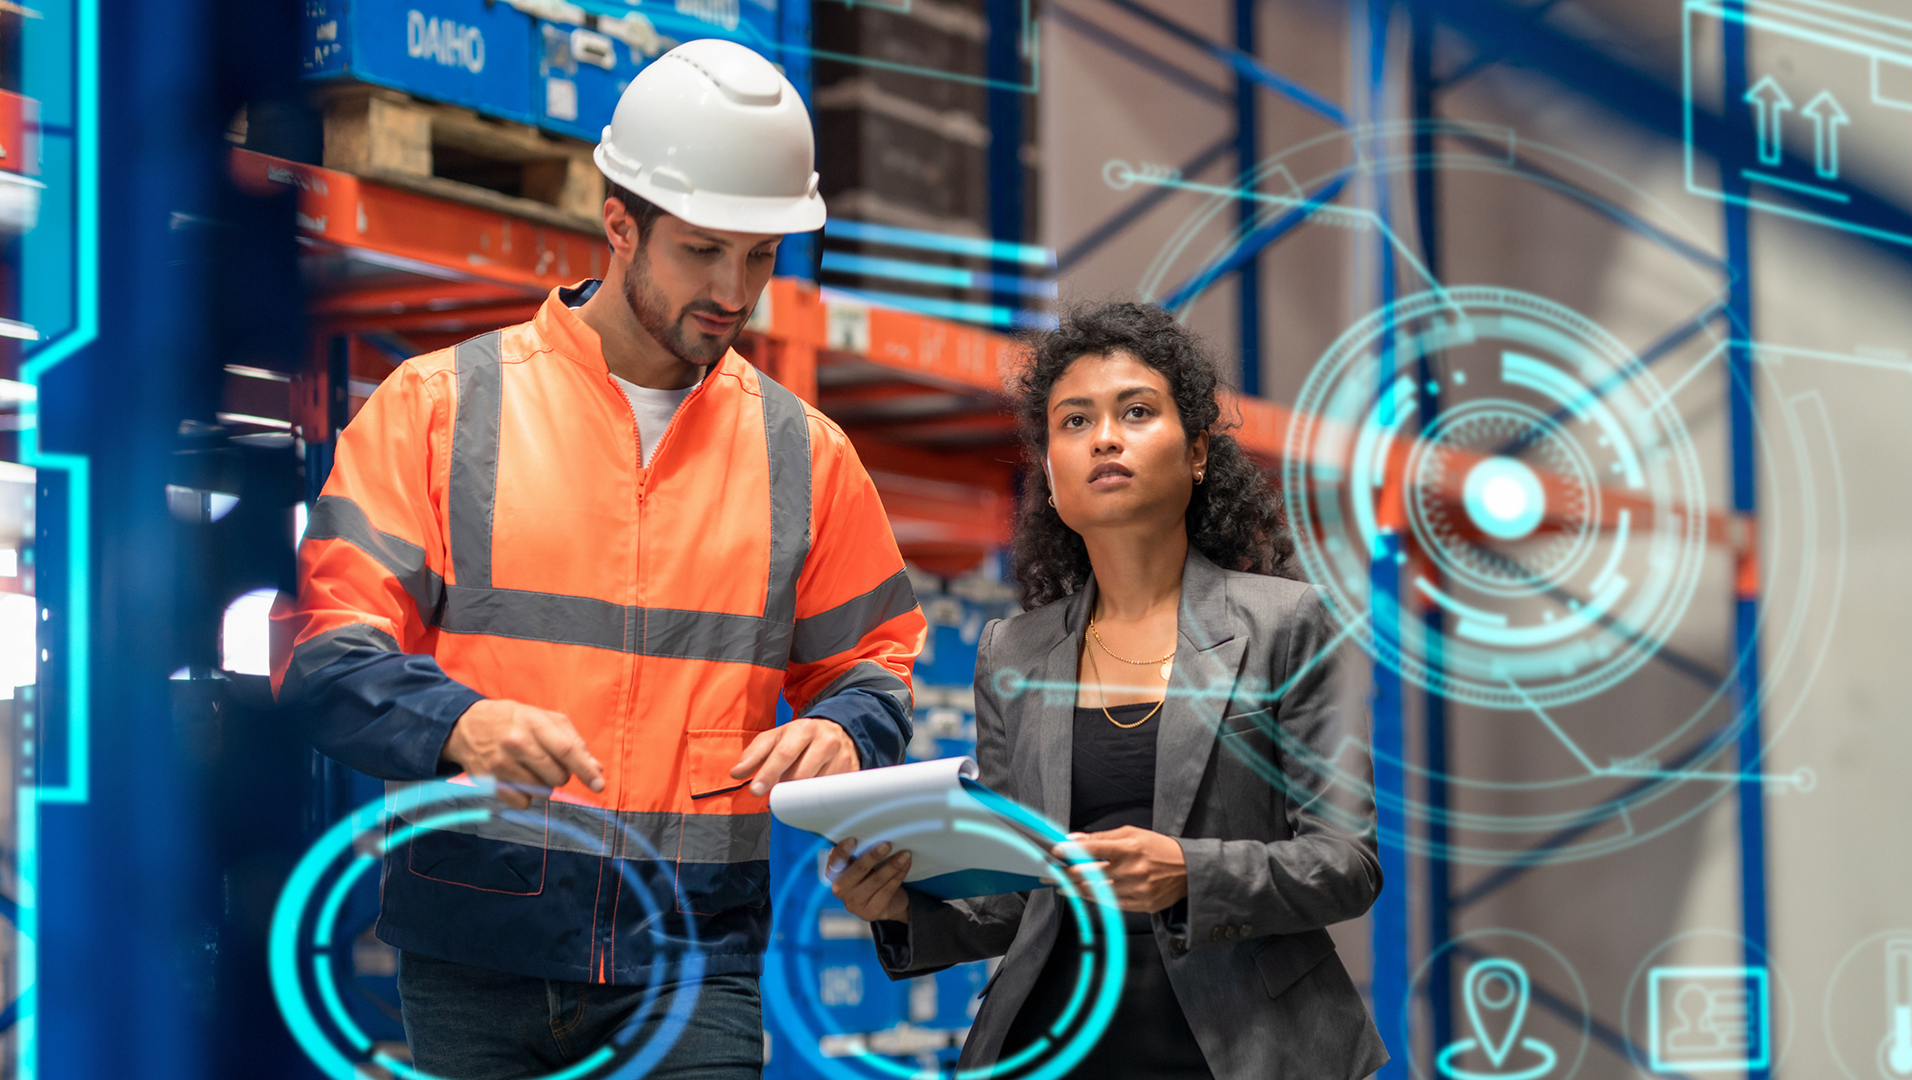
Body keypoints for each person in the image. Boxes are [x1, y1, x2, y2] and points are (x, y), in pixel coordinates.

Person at [272, 40, 928, 1080]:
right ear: (619, 222)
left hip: (692, 959)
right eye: (704, 250)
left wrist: (847, 730)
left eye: (760, 257)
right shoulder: (440, 411)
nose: (734, 290)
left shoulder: (806, 455)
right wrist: (463, 722)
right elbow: (321, 652)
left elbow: (875, 662)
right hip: (473, 952)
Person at [827, 302, 1388, 1079]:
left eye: (1136, 411)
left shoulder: (1287, 624)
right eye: (1075, 421)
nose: (1105, 437)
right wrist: (899, 905)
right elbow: (1016, 895)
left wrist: (1189, 874)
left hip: (1241, 1047)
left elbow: (1346, 863)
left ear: (1196, 454)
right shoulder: (1012, 650)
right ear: (1052, 476)